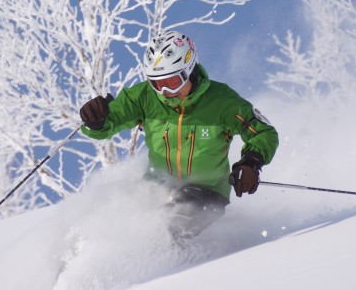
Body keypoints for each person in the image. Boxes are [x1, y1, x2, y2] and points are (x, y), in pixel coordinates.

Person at [79, 30, 279, 239]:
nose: (165, 90)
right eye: (157, 83)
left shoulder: (222, 102)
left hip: (207, 192)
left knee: (171, 225)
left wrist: (250, 163)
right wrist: (96, 119)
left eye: (172, 81)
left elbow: (263, 132)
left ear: (189, 69)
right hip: (156, 189)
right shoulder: (144, 97)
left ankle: (177, 265)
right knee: (113, 222)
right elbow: (107, 124)